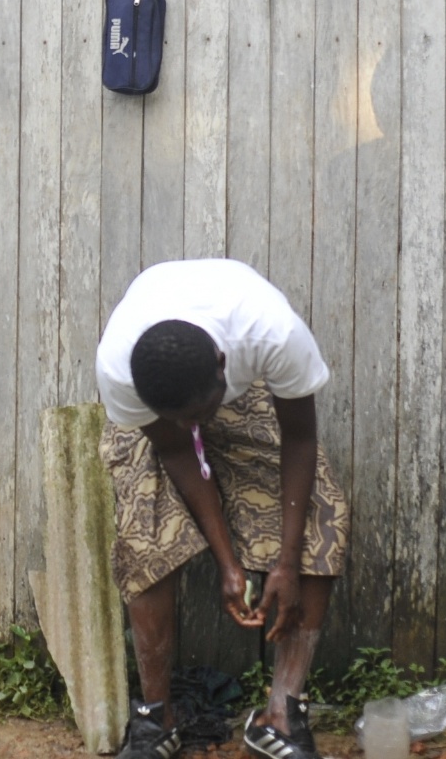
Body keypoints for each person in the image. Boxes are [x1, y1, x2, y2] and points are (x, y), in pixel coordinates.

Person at [96, 260, 350, 759]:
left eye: (200, 415)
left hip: (236, 394)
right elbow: (177, 450)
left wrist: (286, 563)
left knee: (323, 510)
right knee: (143, 534)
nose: (195, 427)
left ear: (221, 362)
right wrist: (228, 564)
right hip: (163, 411)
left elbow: (299, 438)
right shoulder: (122, 370)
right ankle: (155, 720)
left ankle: (282, 714)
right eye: (184, 419)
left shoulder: (271, 334)